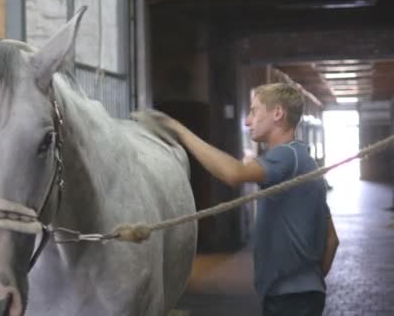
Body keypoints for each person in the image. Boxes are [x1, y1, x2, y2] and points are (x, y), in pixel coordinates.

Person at [139, 82, 339, 316]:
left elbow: (233, 174)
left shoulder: (287, 155)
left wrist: (179, 131)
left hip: (289, 300)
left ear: (277, 113)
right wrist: (310, 283)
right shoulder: (303, 160)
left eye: (254, 111)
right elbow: (332, 240)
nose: (247, 121)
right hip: (297, 296)